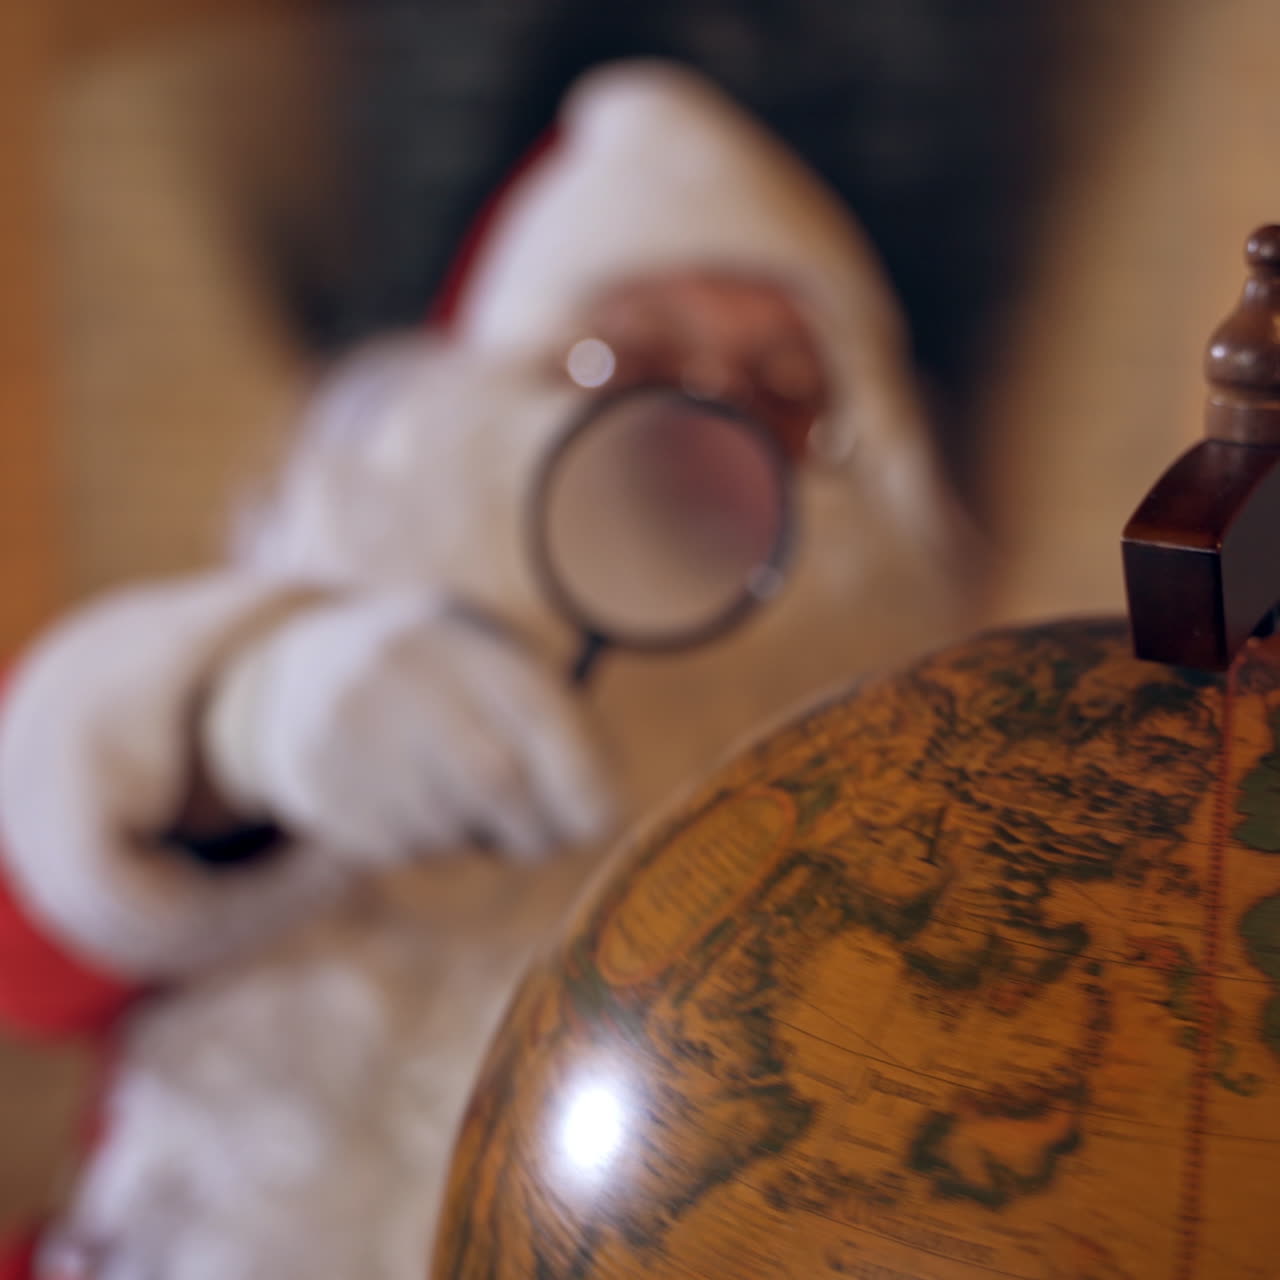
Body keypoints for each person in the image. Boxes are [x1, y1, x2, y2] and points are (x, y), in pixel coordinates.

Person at [0, 62, 977, 1279]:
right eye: (628, 359)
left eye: (783, 389)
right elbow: (27, 944)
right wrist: (249, 724)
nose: (706, 424)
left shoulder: (934, 831)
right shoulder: (284, 622)